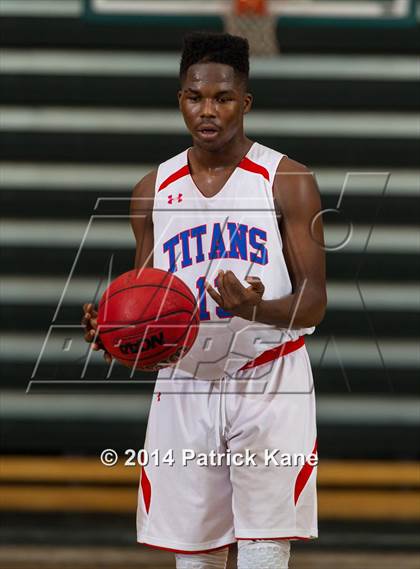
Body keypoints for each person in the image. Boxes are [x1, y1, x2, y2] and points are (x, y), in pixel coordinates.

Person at [82, 32, 326, 569]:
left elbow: (314, 305)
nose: (208, 110)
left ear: (246, 102)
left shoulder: (286, 180)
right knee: (195, 555)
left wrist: (255, 308)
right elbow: (146, 301)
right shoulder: (153, 189)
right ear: (180, 99)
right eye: (196, 97)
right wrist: (114, 330)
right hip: (186, 381)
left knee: (264, 548)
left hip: (268, 378)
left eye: (223, 98)